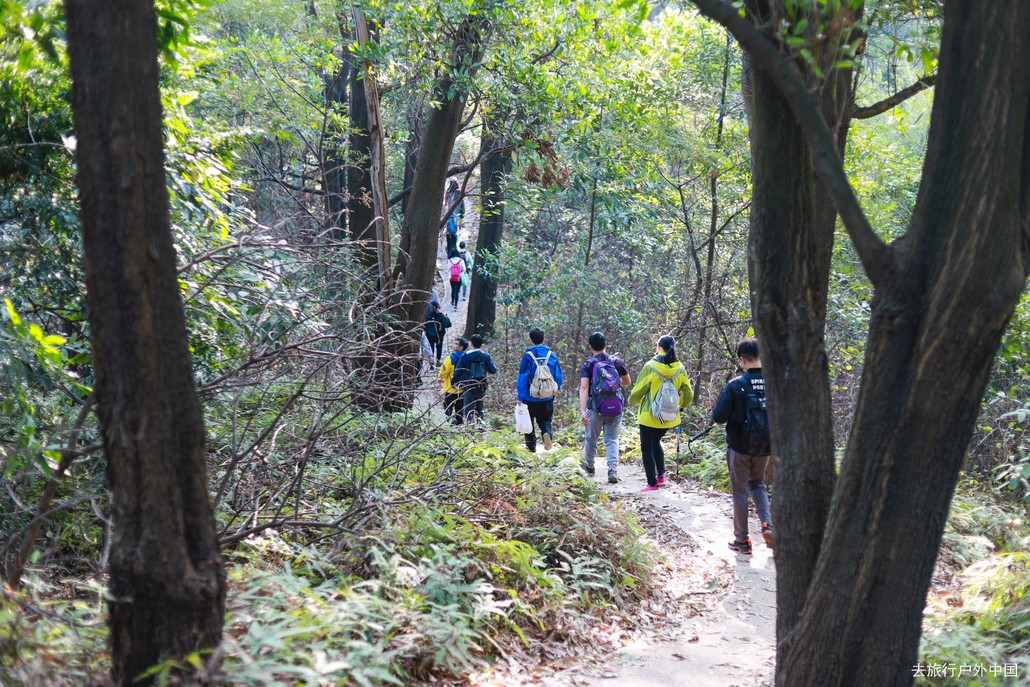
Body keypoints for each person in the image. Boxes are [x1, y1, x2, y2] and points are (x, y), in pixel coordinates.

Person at [712, 336, 773, 555]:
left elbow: (719, 416)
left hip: (739, 447)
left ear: (742, 359)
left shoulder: (736, 385)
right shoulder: (775, 384)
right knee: (758, 484)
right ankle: (768, 526)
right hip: (765, 447)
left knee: (740, 491)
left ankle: (742, 540)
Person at [628, 335, 693, 492]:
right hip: (669, 417)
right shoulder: (680, 368)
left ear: (659, 347)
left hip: (649, 415)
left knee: (646, 448)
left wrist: (631, 401)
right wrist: (681, 405)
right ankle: (661, 477)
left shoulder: (650, 366)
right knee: (656, 442)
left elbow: (638, 391)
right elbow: (689, 393)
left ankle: (652, 483)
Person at [579, 332, 631, 484]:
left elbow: (584, 387)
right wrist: (613, 385)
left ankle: (589, 466)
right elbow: (627, 381)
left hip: (595, 407)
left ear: (590, 346)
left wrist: (583, 411)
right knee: (612, 439)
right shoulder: (616, 361)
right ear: (606, 344)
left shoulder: (588, 364)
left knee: (591, 438)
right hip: (615, 406)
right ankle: (612, 469)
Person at [517, 328, 564, 452]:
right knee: (545, 420)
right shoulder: (551, 355)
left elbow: (523, 376)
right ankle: (546, 433)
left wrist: (520, 397)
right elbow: (558, 376)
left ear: (531, 340)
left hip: (530, 396)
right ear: (543, 338)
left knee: (528, 424)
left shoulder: (528, 356)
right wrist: (555, 390)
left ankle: (531, 448)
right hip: (547, 396)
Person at [451, 333, 497, 423]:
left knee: (468, 409)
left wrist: (455, 383)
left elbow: (457, 372)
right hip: (481, 386)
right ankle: (480, 425)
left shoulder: (465, 356)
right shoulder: (485, 356)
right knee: (480, 408)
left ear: (470, 343)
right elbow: (493, 370)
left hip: (468, 386)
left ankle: (470, 426)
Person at [439, 337, 469, 424]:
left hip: (450, 388)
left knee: (448, 407)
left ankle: (447, 423)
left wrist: (440, 378)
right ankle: (459, 424)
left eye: (456, 344)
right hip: (463, 388)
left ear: (461, 347)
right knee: (460, 409)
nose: (454, 345)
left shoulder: (451, 358)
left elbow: (443, 373)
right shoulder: (468, 357)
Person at [424, 302, 451, 366]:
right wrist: (447, 317)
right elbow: (448, 324)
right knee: (439, 348)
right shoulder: (441, 315)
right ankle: (438, 362)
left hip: (430, 335)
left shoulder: (428, 316)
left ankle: (431, 363)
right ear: (436, 307)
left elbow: (424, 326)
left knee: (431, 348)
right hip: (439, 336)